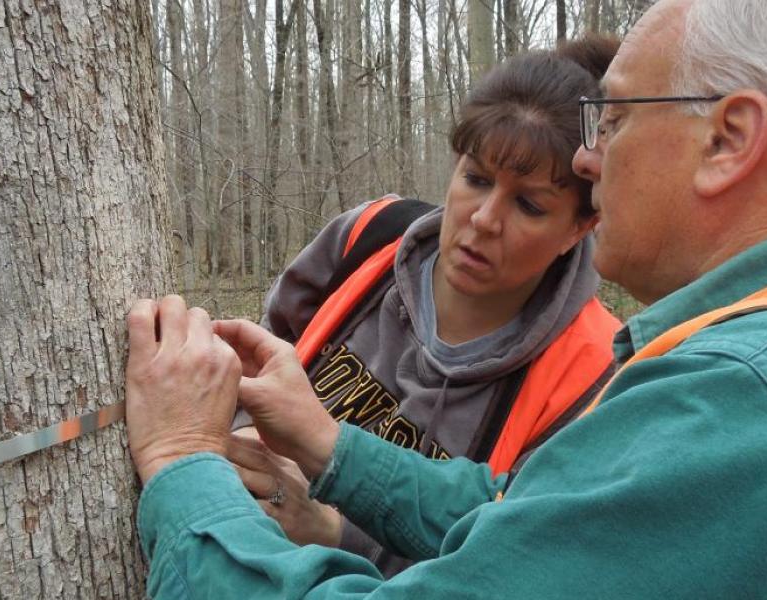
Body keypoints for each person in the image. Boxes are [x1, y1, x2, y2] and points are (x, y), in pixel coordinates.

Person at [124, 0, 767, 597]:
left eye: (614, 117)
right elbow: (539, 512)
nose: (591, 154)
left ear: (729, 139)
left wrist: (179, 463)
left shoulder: (760, 407)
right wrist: (331, 446)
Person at [225, 38, 623, 575]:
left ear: (580, 226)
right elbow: (258, 354)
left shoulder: (591, 376)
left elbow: (514, 567)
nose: (484, 218)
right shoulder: (368, 239)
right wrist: (243, 438)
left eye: (528, 204)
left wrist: (333, 533)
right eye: (476, 179)